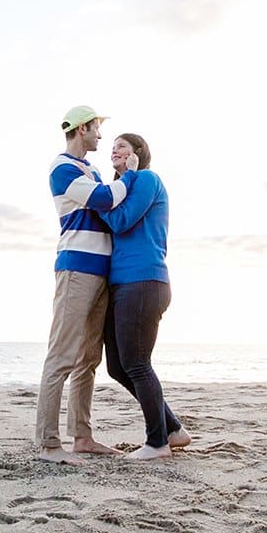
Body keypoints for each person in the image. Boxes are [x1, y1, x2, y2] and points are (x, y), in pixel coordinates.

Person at [33, 105, 129, 464]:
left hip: (102, 270)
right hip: (76, 267)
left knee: (89, 358)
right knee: (62, 355)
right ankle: (48, 444)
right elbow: (105, 200)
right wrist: (129, 176)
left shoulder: (93, 170)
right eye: (96, 128)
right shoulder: (62, 167)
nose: (101, 136)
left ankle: (83, 437)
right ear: (81, 129)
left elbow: (112, 212)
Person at [100, 133, 189, 460]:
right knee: (117, 367)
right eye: (113, 147)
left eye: (122, 146)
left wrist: (131, 176)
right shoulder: (121, 190)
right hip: (122, 284)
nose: (115, 150)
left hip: (144, 281)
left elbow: (121, 222)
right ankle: (173, 430)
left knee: (136, 363)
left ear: (138, 154)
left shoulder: (147, 179)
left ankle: (157, 443)